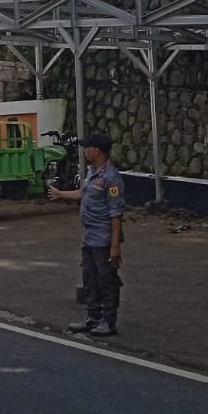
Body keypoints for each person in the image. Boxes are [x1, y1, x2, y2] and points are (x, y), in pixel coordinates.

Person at [48, 131, 125, 337]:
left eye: (87, 147)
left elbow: (116, 214)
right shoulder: (92, 172)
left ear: (97, 151)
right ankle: (93, 316)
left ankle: (108, 321)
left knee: (107, 280)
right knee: (90, 278)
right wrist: (60, 194)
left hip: (103, 239)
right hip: (89, 237)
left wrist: (115, 246)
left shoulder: (111, 178)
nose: (84, 151)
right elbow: (83, 193)